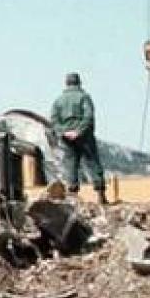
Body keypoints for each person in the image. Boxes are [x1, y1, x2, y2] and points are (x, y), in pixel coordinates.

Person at [49, 73, 107, 204]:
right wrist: (79, 131)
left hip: (66, 138)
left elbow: (54, 120)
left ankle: (73, 197)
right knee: (92, 163)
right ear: (79, 82)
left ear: (66, 83)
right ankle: (100, 195)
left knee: (70, 166)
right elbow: (89, 116)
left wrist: (64, 132)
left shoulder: (58, 100)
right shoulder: (84, 97)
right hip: (84, 137)